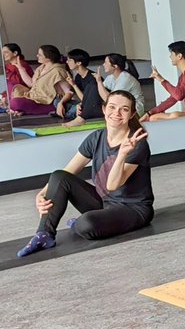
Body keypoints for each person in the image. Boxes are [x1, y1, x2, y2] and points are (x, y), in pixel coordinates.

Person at [16, 90, 154, 257]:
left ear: (132, 114)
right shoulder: (96, 138)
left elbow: (112, 185)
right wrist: (42, 193)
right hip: (105, 202)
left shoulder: (137, 144)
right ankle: (44, 234)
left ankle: (84, 222)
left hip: (133, 209)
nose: (116, 113)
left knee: (86, 224)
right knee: (58, 176)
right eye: (112, 107)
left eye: (124, 109)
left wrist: (122, 154)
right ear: (104, 109)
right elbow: (66, 172)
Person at [8, 45, 71, 117]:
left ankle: (26, 110)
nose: (37, 55)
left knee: (16, 103)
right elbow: (31, 84)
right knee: (15, 92)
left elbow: (68, 91)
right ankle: (23, 110)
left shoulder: (58, 71)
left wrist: (61, 103)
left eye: (40, 54)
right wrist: (21, 68)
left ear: (48, 57)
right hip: (35, 98)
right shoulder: (40, 68)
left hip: (49, 102)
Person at [59, 49, 104, 124]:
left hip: (95, 106)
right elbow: (74, 95)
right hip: (83, 103)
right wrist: (61, 103)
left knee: (75, 108)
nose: (67, 62)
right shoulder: (78, 76)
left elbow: (88, 100)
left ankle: (73, 115)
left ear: (79, 63)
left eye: (70, 60)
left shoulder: (92, 78)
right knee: (57, 102)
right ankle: (70, 112)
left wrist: (74, 85)